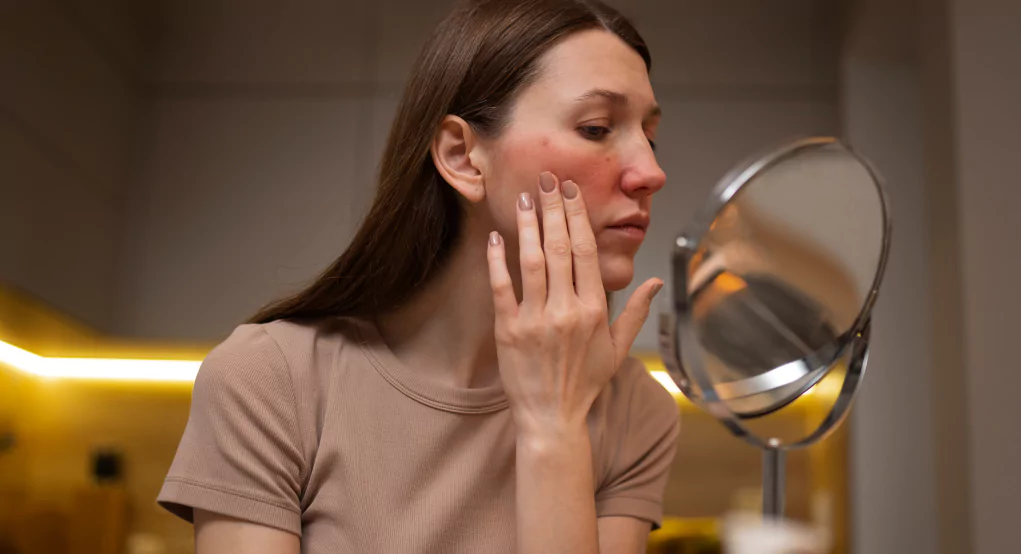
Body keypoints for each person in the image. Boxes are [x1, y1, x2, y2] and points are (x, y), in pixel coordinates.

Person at [157, 0, 681, 552]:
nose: (651, 172)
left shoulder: (631, 411)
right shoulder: (271, 381)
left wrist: (556, 427)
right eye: (597, 127)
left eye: (650, 136)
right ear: (462, 156)